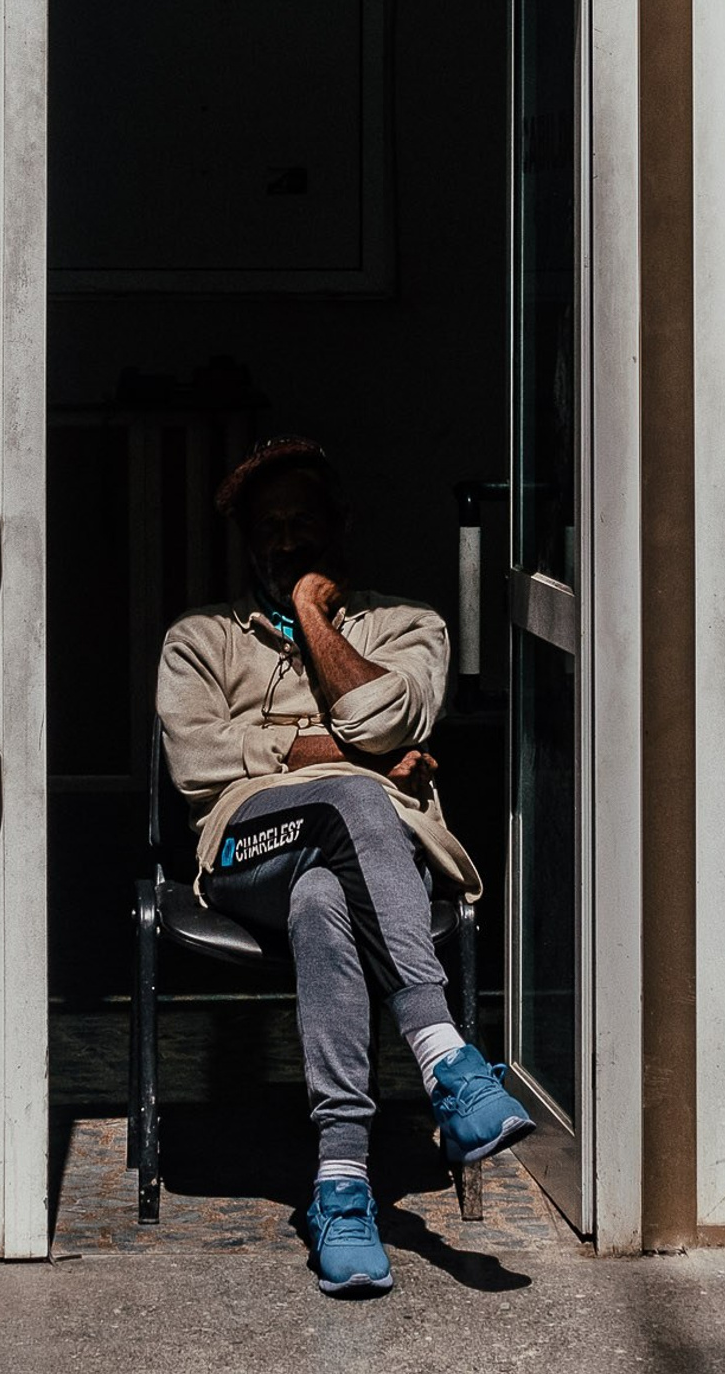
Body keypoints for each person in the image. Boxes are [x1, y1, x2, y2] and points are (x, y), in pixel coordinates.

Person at [155, 437, 532, 1299]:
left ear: (340, 527)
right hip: (248, 849)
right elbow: (198, 763)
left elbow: (382, 714)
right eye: (269, 528)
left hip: (361, 865)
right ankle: (446, 1058)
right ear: (248, 539)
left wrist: (313, 615)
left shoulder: (407, 625)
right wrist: (340, 756)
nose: (285, 541)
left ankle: (340, 1183)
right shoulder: (200, 639)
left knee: (325, 897)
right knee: (351, 800)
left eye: (303, 523)